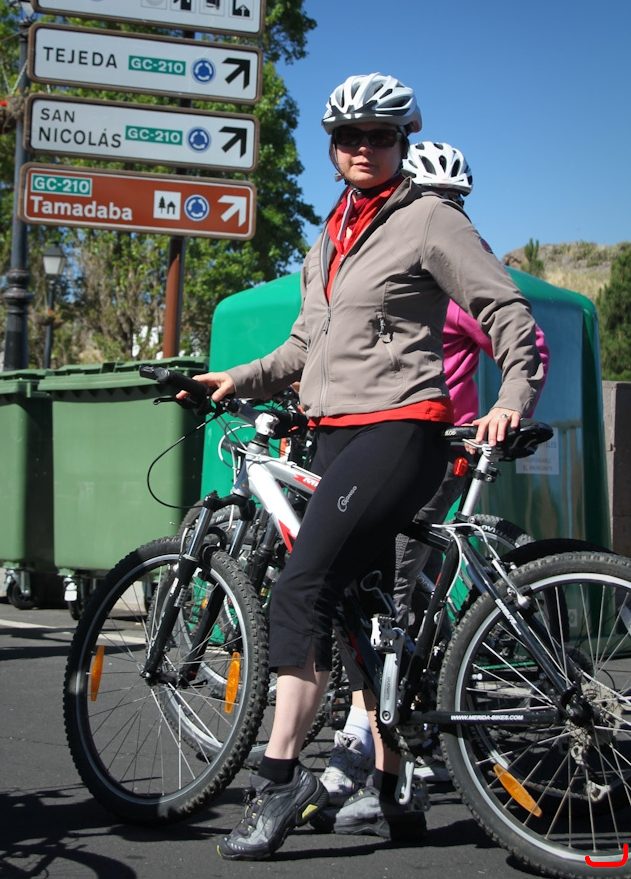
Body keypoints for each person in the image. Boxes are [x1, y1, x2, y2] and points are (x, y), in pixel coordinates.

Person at [185, 73, 546, 860]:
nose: (363, 148)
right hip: (334, 434)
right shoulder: (329, 235)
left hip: (401, 430)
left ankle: (278, 780)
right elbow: (302, 346)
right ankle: (393, 784)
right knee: (364, 617)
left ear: (400, 143)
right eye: (349, 137)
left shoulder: (428, 220)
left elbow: (503, 309)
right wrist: (234, 380)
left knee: (301, 588)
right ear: (332, 146)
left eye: (380, 136)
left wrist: (512, 396)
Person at [318, 141, 551, 809]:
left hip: (434, 446)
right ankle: (400, 730)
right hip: (401, 438)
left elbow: (524, 338)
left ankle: (380, 750)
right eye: (435, 199)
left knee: (382, 597)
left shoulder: (445, 275)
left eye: (454, 202)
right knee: (402, 594)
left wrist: (507, 406)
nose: (445, 212)